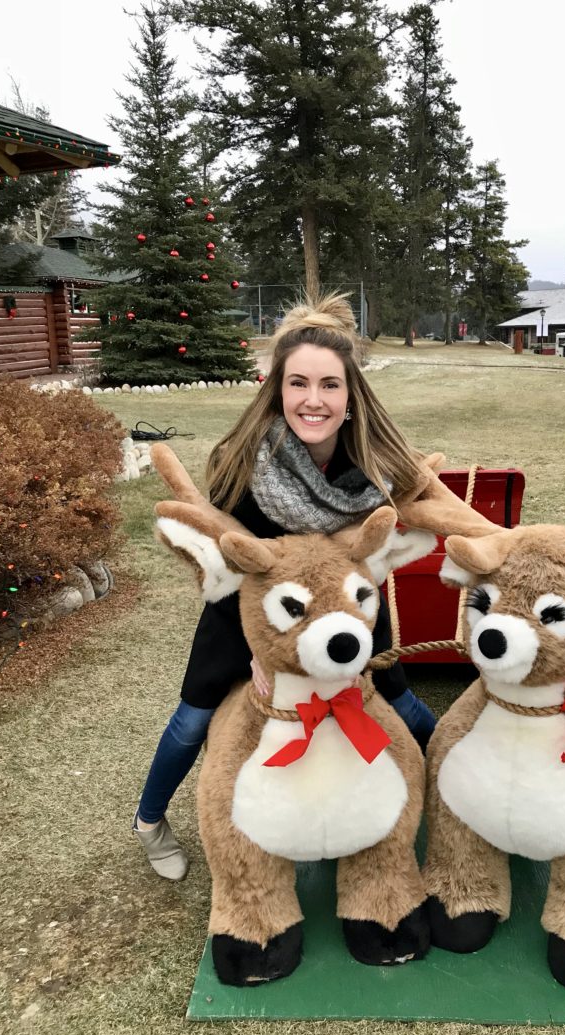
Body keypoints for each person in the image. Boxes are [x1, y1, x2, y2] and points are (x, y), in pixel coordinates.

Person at [134, 294, 437, 879]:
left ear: (351, 398)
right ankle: (149, 820)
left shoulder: (374, 469)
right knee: (194, 721)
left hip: (348, 618)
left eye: (329, 385)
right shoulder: (247, 463)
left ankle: (453, 789)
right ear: (278, 389)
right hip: (250, 623)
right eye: (298, 383)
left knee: (400, 705)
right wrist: (258, 651)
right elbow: (218, 558)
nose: (313, 400)